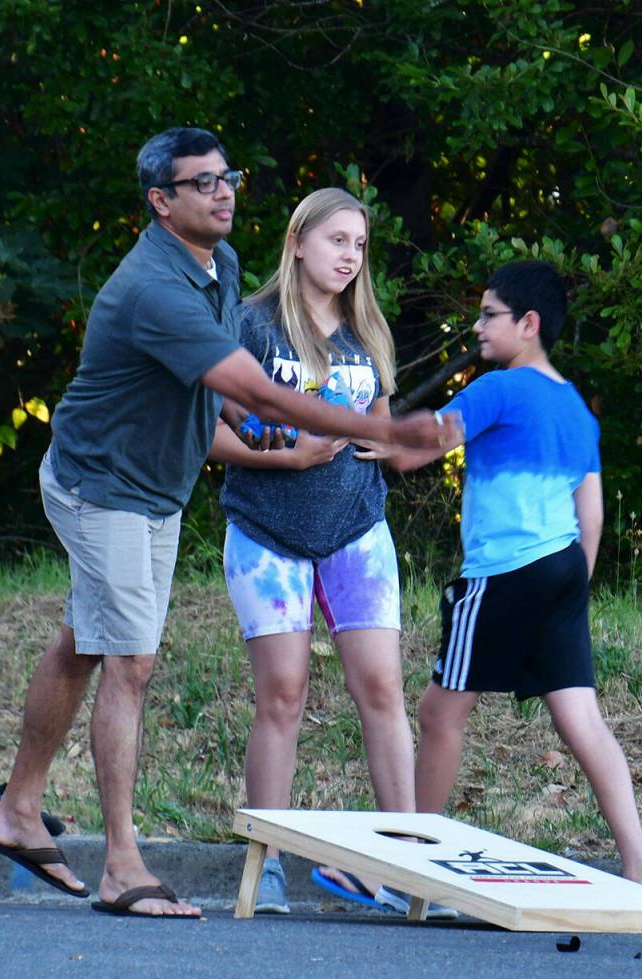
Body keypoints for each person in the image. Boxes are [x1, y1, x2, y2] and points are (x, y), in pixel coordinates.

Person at [0, 128, 458, 919]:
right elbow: (262, 392)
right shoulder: (153, 288)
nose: (223, 191)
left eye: (227, 177)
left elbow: (227, 391)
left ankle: (16, 810)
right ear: (162, 202)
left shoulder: (218, 265)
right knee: (129, 660)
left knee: (86, 638)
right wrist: (359, 431)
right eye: (201, 183)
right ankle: (122, 867)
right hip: (102, 484)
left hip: (154, 487)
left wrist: (237, 410)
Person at [360, 260, 642, 892]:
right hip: (563, 571)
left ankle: (407, 863)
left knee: (439, 714)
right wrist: (573, 585)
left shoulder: (498, 387)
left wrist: (368, 437)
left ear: (528, 324)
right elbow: (592, 508)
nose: (476, 327)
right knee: (582, 720)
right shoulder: (576, 408)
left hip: (503, 571)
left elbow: (430, 442)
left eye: (488, 314)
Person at [211, 188, 453, 918]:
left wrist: (391, 441)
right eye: (337, 240)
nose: (350, 256)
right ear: (297, 243)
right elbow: (208, 436)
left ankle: (406, 865)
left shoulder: (366, 332)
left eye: (359, 244)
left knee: (381, 690)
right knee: (282, 694)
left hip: (356, 530)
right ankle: (271, 862)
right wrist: (287, 458)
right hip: (266, 532)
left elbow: (379, 430)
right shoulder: (250, 327)